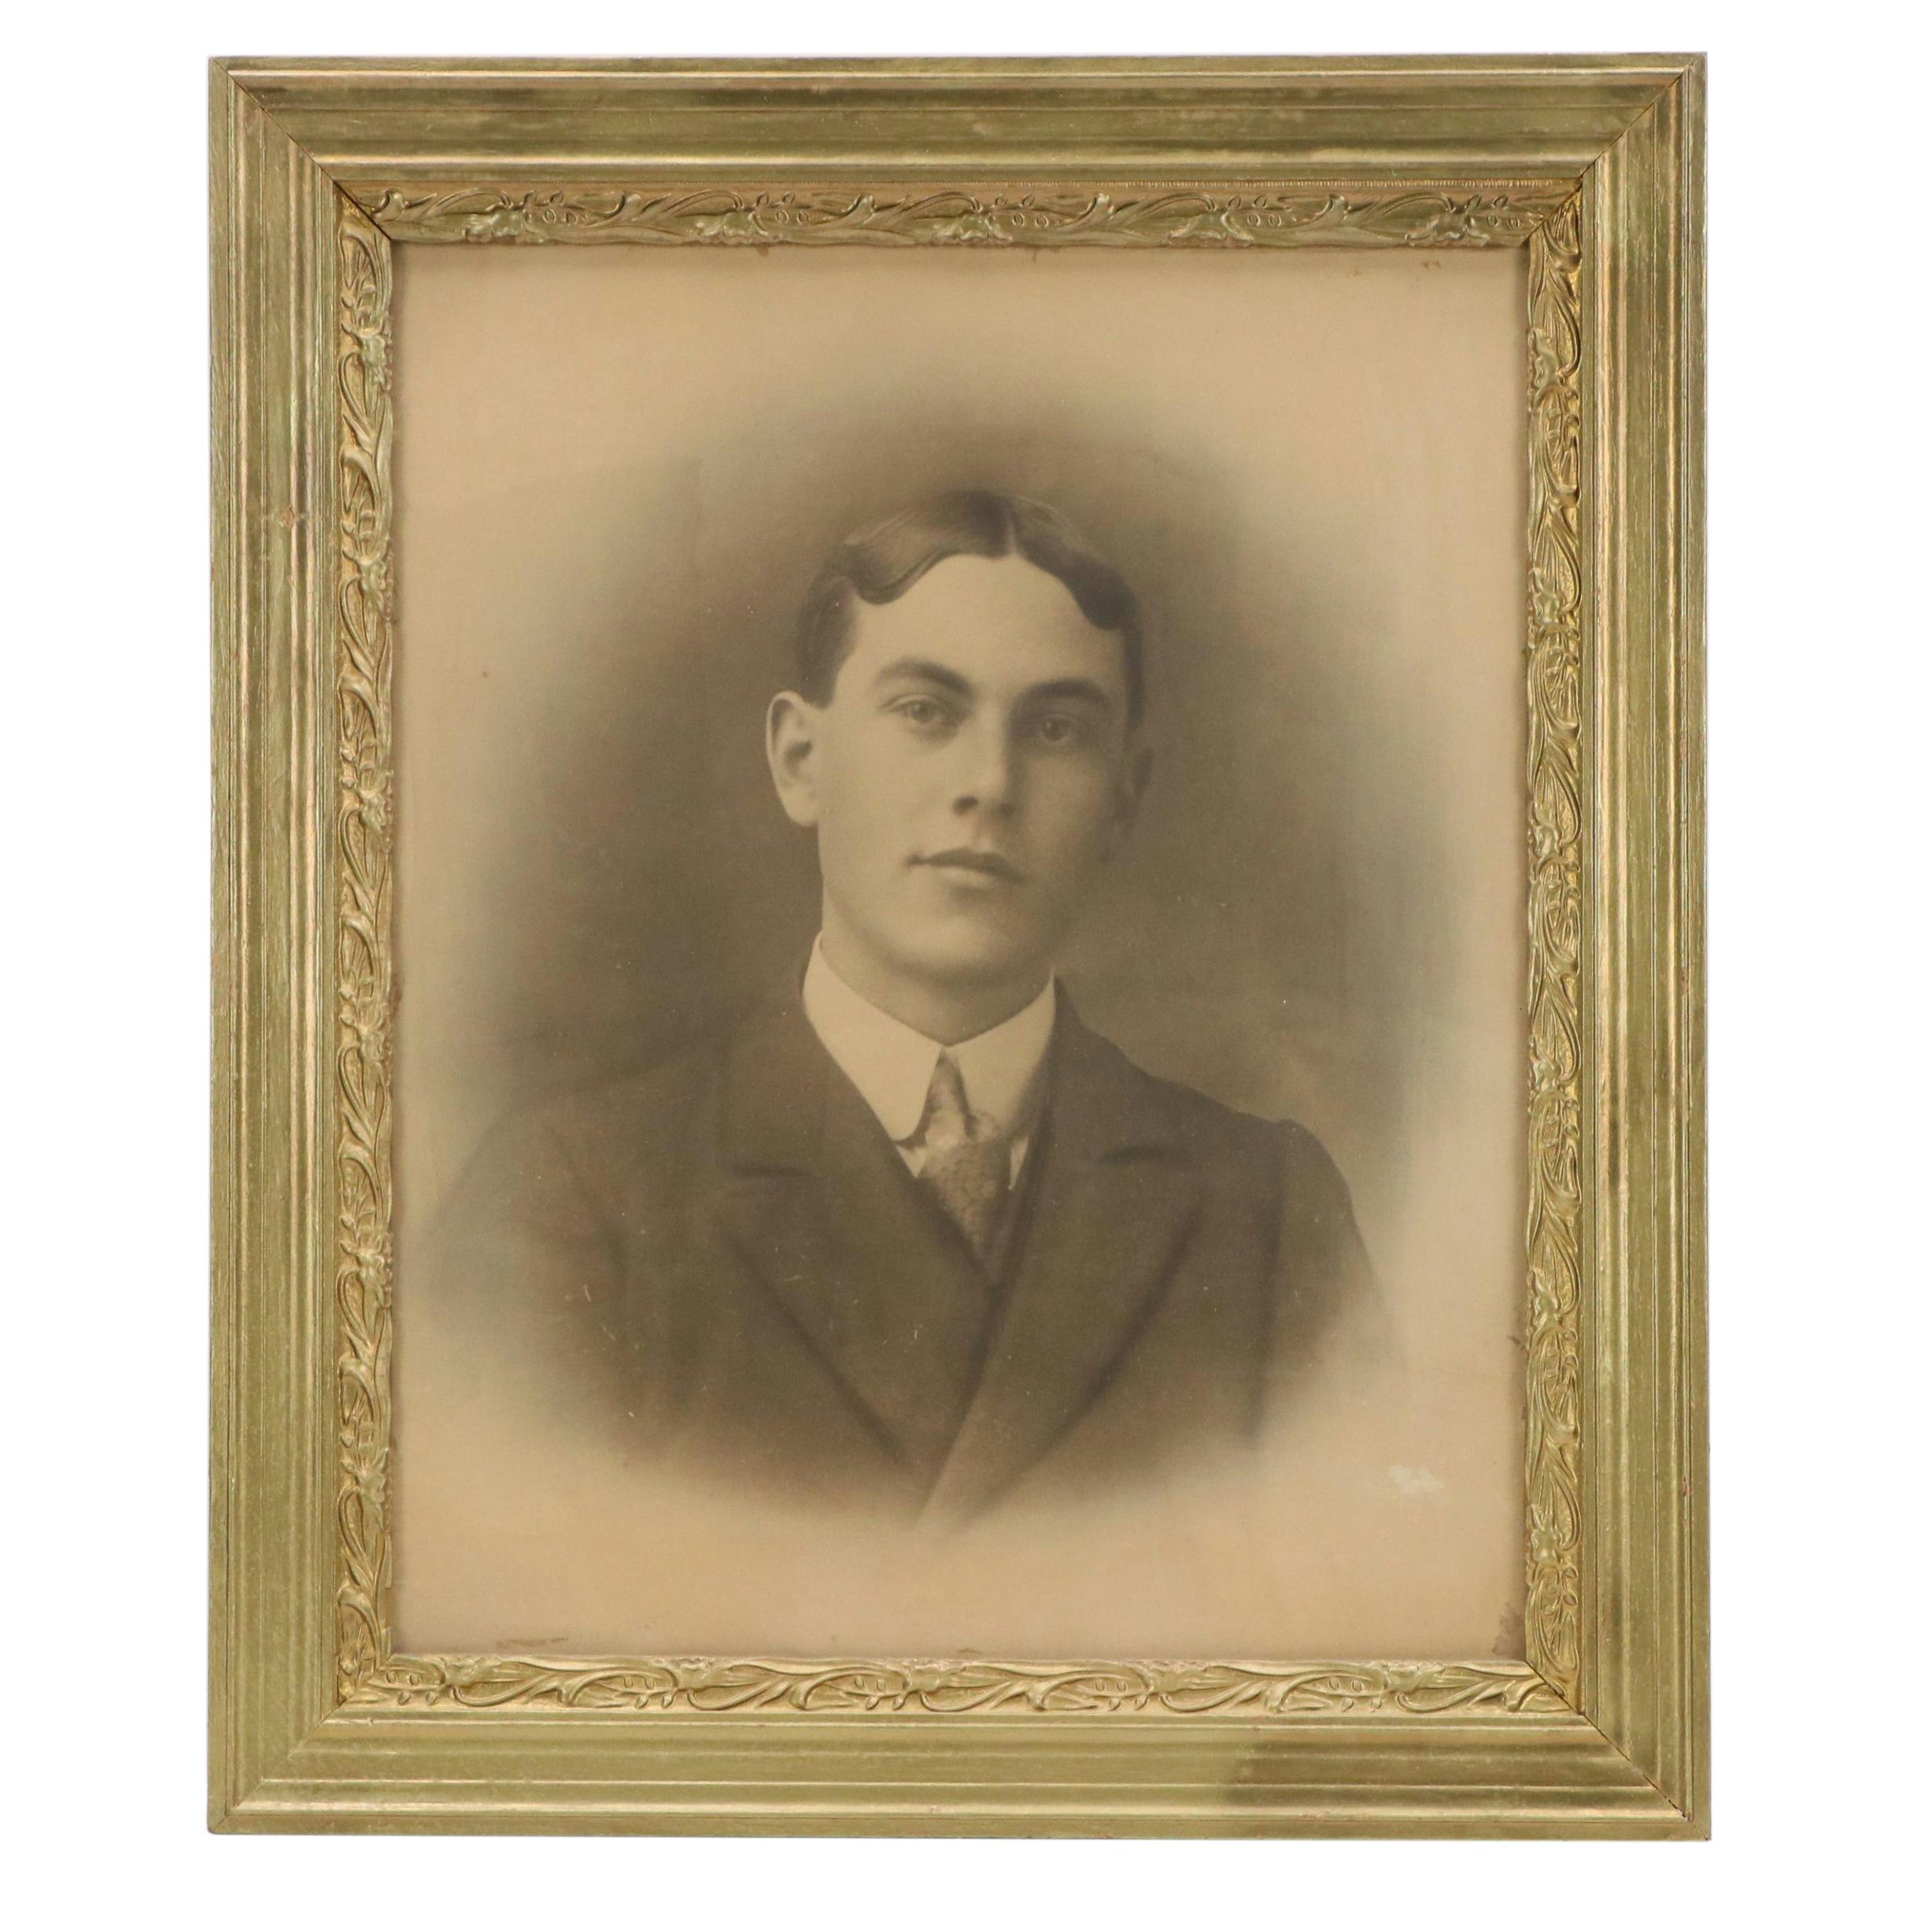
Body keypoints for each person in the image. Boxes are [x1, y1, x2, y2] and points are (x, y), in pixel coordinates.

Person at [427, 489, 1374, 1523]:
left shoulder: (1272, 1213)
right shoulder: (571, 1196)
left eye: (1056, 729)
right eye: (925, 711)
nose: (989, 783)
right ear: (801, 761)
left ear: (1122, 801)